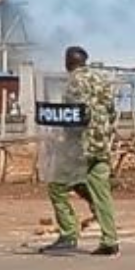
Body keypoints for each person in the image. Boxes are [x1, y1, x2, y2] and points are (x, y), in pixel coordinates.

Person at [41, 46, 121, 256]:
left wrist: (62, 138)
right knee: (100, 193)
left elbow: (73, 116)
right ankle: (110, 239)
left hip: (79, 148)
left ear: (69, 61)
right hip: (101, 146)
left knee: (57, 187)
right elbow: (112, 112)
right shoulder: (102, 79)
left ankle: (68, 234)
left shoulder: (74, 82)